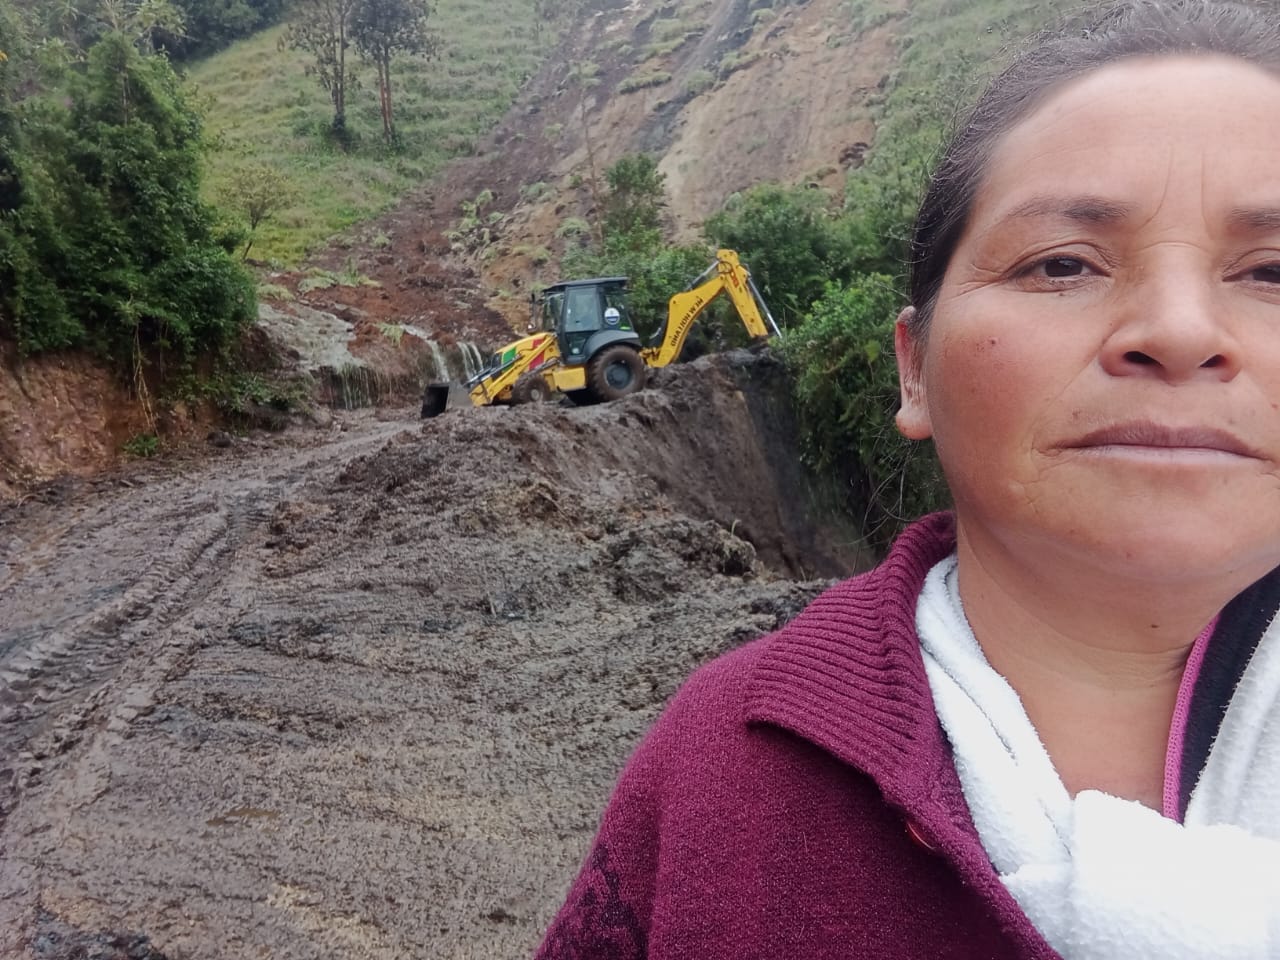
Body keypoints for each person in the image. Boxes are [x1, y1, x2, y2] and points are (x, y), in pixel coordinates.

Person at [533, 2, 1280, 957]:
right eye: (1062, 263)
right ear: (914, 367)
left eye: (1272, 273)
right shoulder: (720, 767)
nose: (1178, 331)